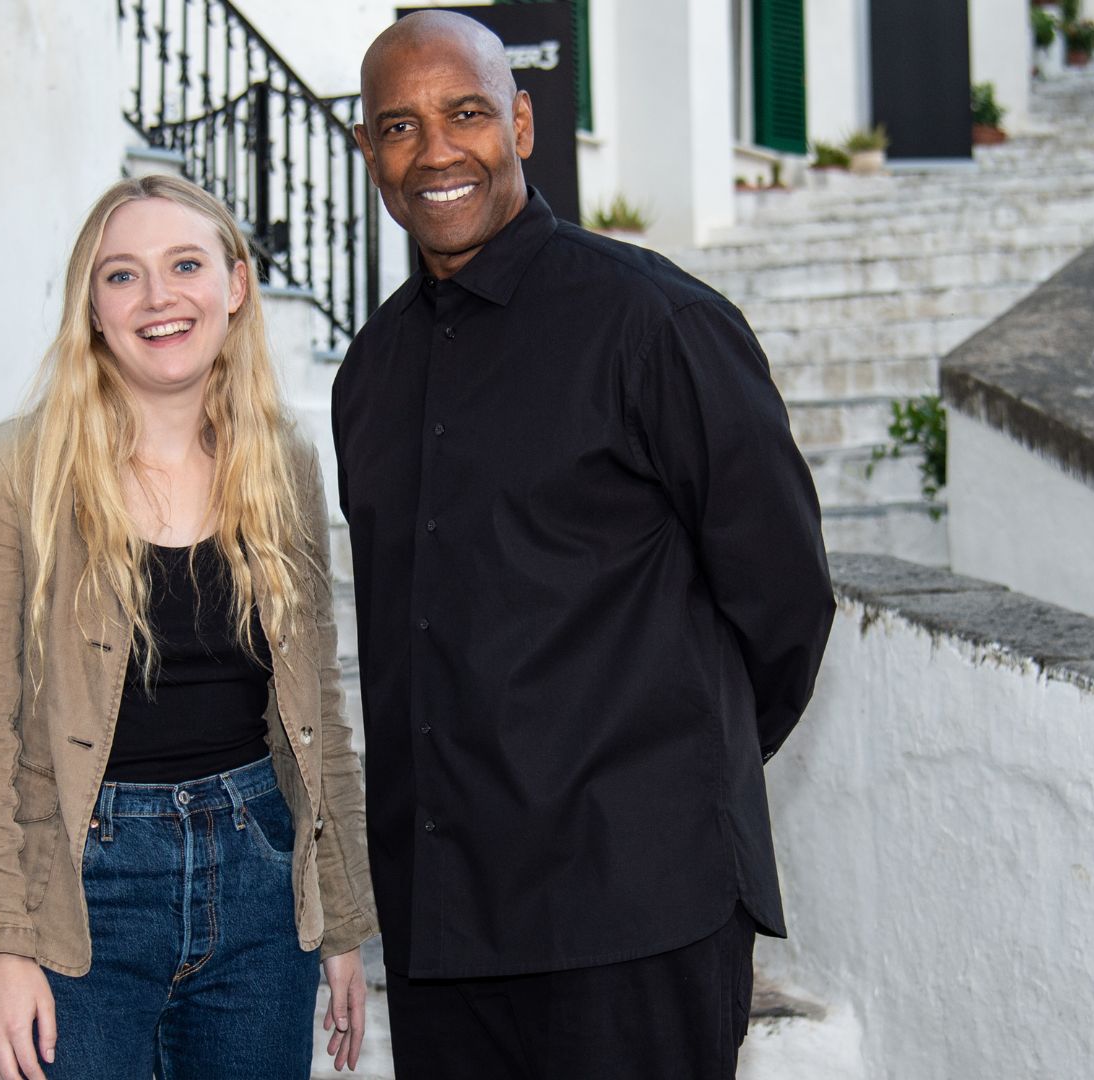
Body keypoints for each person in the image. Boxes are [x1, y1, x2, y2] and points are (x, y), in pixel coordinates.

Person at [333, 11, 836, 1079]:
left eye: (465, 113)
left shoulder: (655, 323)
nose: (436, 152)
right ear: (369, 150)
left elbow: (785, 602)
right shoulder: (367, 374)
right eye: (399, 126)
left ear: (519, 119)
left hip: (633, 916)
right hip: (443, 930)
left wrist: (665, 785)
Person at [0, 174, 377, 1080]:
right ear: (91, 309)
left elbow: (316, 713)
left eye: (185, 265)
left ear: (235, 286)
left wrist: (339, 918)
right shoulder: (14, 470)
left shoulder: (282, 460)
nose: (159, 297)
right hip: (79, 894)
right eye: (121, 276)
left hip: (262, 883)